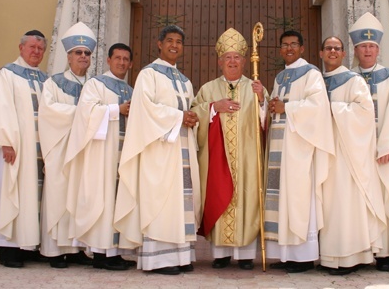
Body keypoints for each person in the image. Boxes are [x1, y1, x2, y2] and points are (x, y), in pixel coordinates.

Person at [114, 25, 200, 276]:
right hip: (158, 150)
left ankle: (181, 255)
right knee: (161, 202)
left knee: (181, 201)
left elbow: (188, 108)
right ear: (159, 44)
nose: (175, 45)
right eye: (170, 40)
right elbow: (144, 109)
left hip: (181, 148)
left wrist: (191, 117)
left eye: (179, 42)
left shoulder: (185, 81)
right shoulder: (147, 74)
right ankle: (159, 260)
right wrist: (178, 117)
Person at [190, 28, 266, 270]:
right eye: (228, 57)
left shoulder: (254, 87)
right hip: (217, 159)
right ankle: (220, 254)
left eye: (237, 57)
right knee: (219, 196)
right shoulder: (208, 89)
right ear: (220, 61)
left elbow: (267, 123)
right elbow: (194, 115)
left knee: (247, 199)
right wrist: (213, 107)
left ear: (244, 61)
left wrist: (262, 99)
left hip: (247, 158)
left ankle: (245, 256)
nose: (232, 61)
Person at [0, 30, 48, 268]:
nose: (36, 52)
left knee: (34, 199)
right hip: (15, 149)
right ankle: (9, 249)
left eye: (40, 49)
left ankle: (28, 245)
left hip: (37, 152)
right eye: (32, 47)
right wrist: (5, 142)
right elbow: (1, 108)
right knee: (12, 195)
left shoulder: (44, 79)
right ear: (21, 48)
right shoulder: (7, 75)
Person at [263, 30, 335, 274]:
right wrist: (269, 105)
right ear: (280, 49)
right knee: (280, 197)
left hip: (299, 147)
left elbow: (318, 107)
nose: (289, 48)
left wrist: (287, 107)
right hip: (279, 147)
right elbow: (276, 108)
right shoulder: (281, 76)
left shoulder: (312, 73)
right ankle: (284, 253)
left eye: (294, 44)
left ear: (302, 48)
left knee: (298, 198)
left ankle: (302, 256)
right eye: (284, 45)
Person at [349, 12, 389, 271]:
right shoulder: (348, 77)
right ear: (356, 49)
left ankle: (384, 254)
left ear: (378, 49)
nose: (367, 50)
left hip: (382, 151)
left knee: (384, 199)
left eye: (372, 46)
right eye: (363, 46)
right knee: (358, 200)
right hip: (355, 150)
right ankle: (360, 250)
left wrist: (387, 145)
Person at [63, 43, 134, 271]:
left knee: (118, 200)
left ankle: (115, 251)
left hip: (123, 154)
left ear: (130, 64)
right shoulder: (95, 84)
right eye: (118, 58)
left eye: (126, 59)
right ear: (108, 60)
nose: (122, 63)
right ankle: (102, 254)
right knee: (103, 200)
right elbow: (86, 113)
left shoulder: (131, 89)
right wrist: (116, 110)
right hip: (102, 154)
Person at [318, 36, 384, 275]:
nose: (333, 52)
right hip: (322, 149)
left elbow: (365, 112)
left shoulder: (354, 80)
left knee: (344, 202)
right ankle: (327, 255)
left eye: (337, 48)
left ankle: (349, 257)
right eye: (328, 48)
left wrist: (331, 108)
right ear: (321, 53)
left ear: (344, 54)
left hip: (346, 152)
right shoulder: (316, 80)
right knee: (325, 205)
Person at [38, 22, 96, 268]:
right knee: (60, 197)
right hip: (61, 149)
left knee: (81, 197)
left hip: (85, 150)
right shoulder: (53, 83)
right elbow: (48, 112)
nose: (83, 57)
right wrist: (84, 113)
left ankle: (77, 248)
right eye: (78, 53)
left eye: (87, 53)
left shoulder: (95, 85)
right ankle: (55, 251)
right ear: (69, 56)